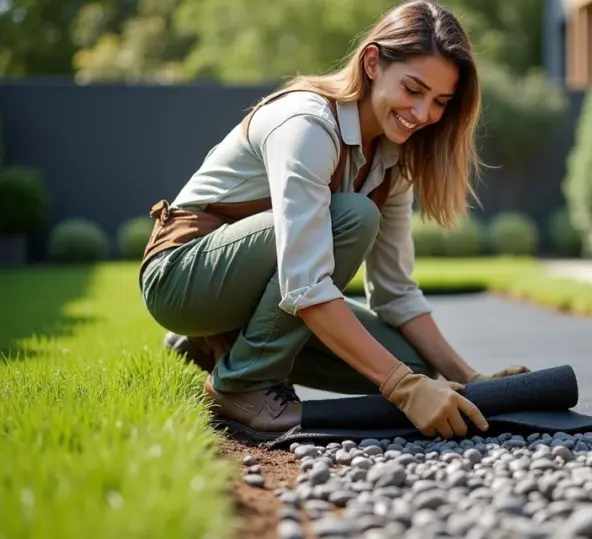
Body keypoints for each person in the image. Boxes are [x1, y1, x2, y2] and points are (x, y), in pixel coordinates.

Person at [138, 0, 530, 442]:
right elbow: (305, 283)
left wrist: (467, 377)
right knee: (352, 217)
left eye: (440, 102)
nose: (423, 115)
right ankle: (241, 385)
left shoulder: (393, 159)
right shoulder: (307, 125)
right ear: (372, 62)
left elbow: (395, 292)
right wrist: (403, 390)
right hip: (181, 278)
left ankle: (211, 345)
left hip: (249, 291)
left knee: (416, 362)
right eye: (413, 90)